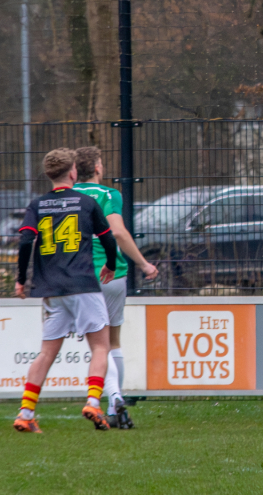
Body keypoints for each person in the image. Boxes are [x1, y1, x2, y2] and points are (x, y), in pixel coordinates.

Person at [13, 148, 118, 433]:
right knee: (100, 345)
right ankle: (93, 403)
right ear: (73, 172)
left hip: (51, 289)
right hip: (83, 284)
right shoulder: (86, 202)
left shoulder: (37, 205)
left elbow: (25, 242)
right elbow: (108, 239)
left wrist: (21, 279)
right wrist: (110, 265)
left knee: (46, 353)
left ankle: (25, 412)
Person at [73, 146, 159, 428]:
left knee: (97, 345)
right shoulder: (109, 195)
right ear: (97, 168)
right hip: (113, 275)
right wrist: (144, 264)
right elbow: (118, 232)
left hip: (80, 276)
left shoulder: (68, 197)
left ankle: (114, 397)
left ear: (74, 171)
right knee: (113, 342)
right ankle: (114, 405)